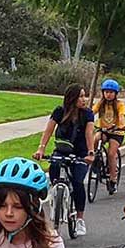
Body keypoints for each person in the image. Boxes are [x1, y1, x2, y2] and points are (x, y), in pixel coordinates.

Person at [33, 84, 94, 236]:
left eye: (84, 95)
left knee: (78, 183)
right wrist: (41, 149)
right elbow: (48, 131)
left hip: (80, 153)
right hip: (61, 151)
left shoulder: (87, 114)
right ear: (72, 98)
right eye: (80, 96)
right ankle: (57, 200)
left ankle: (79, 219)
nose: (83, 99)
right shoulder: (59, 112)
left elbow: (89, 133)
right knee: (54, 174)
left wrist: (91, 153)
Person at [92, 79, 125, 195]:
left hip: (116, 132)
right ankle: (95, 160)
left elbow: (122, 116)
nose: (108, 95)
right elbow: (92, 112)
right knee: (96, 138)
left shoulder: (119, 105)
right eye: (106, 92)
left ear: (116, 94)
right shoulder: (100, 104)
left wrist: (122, 125)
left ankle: (112, 180)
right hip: (104, 130)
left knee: (111, 153)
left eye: (111, 92)